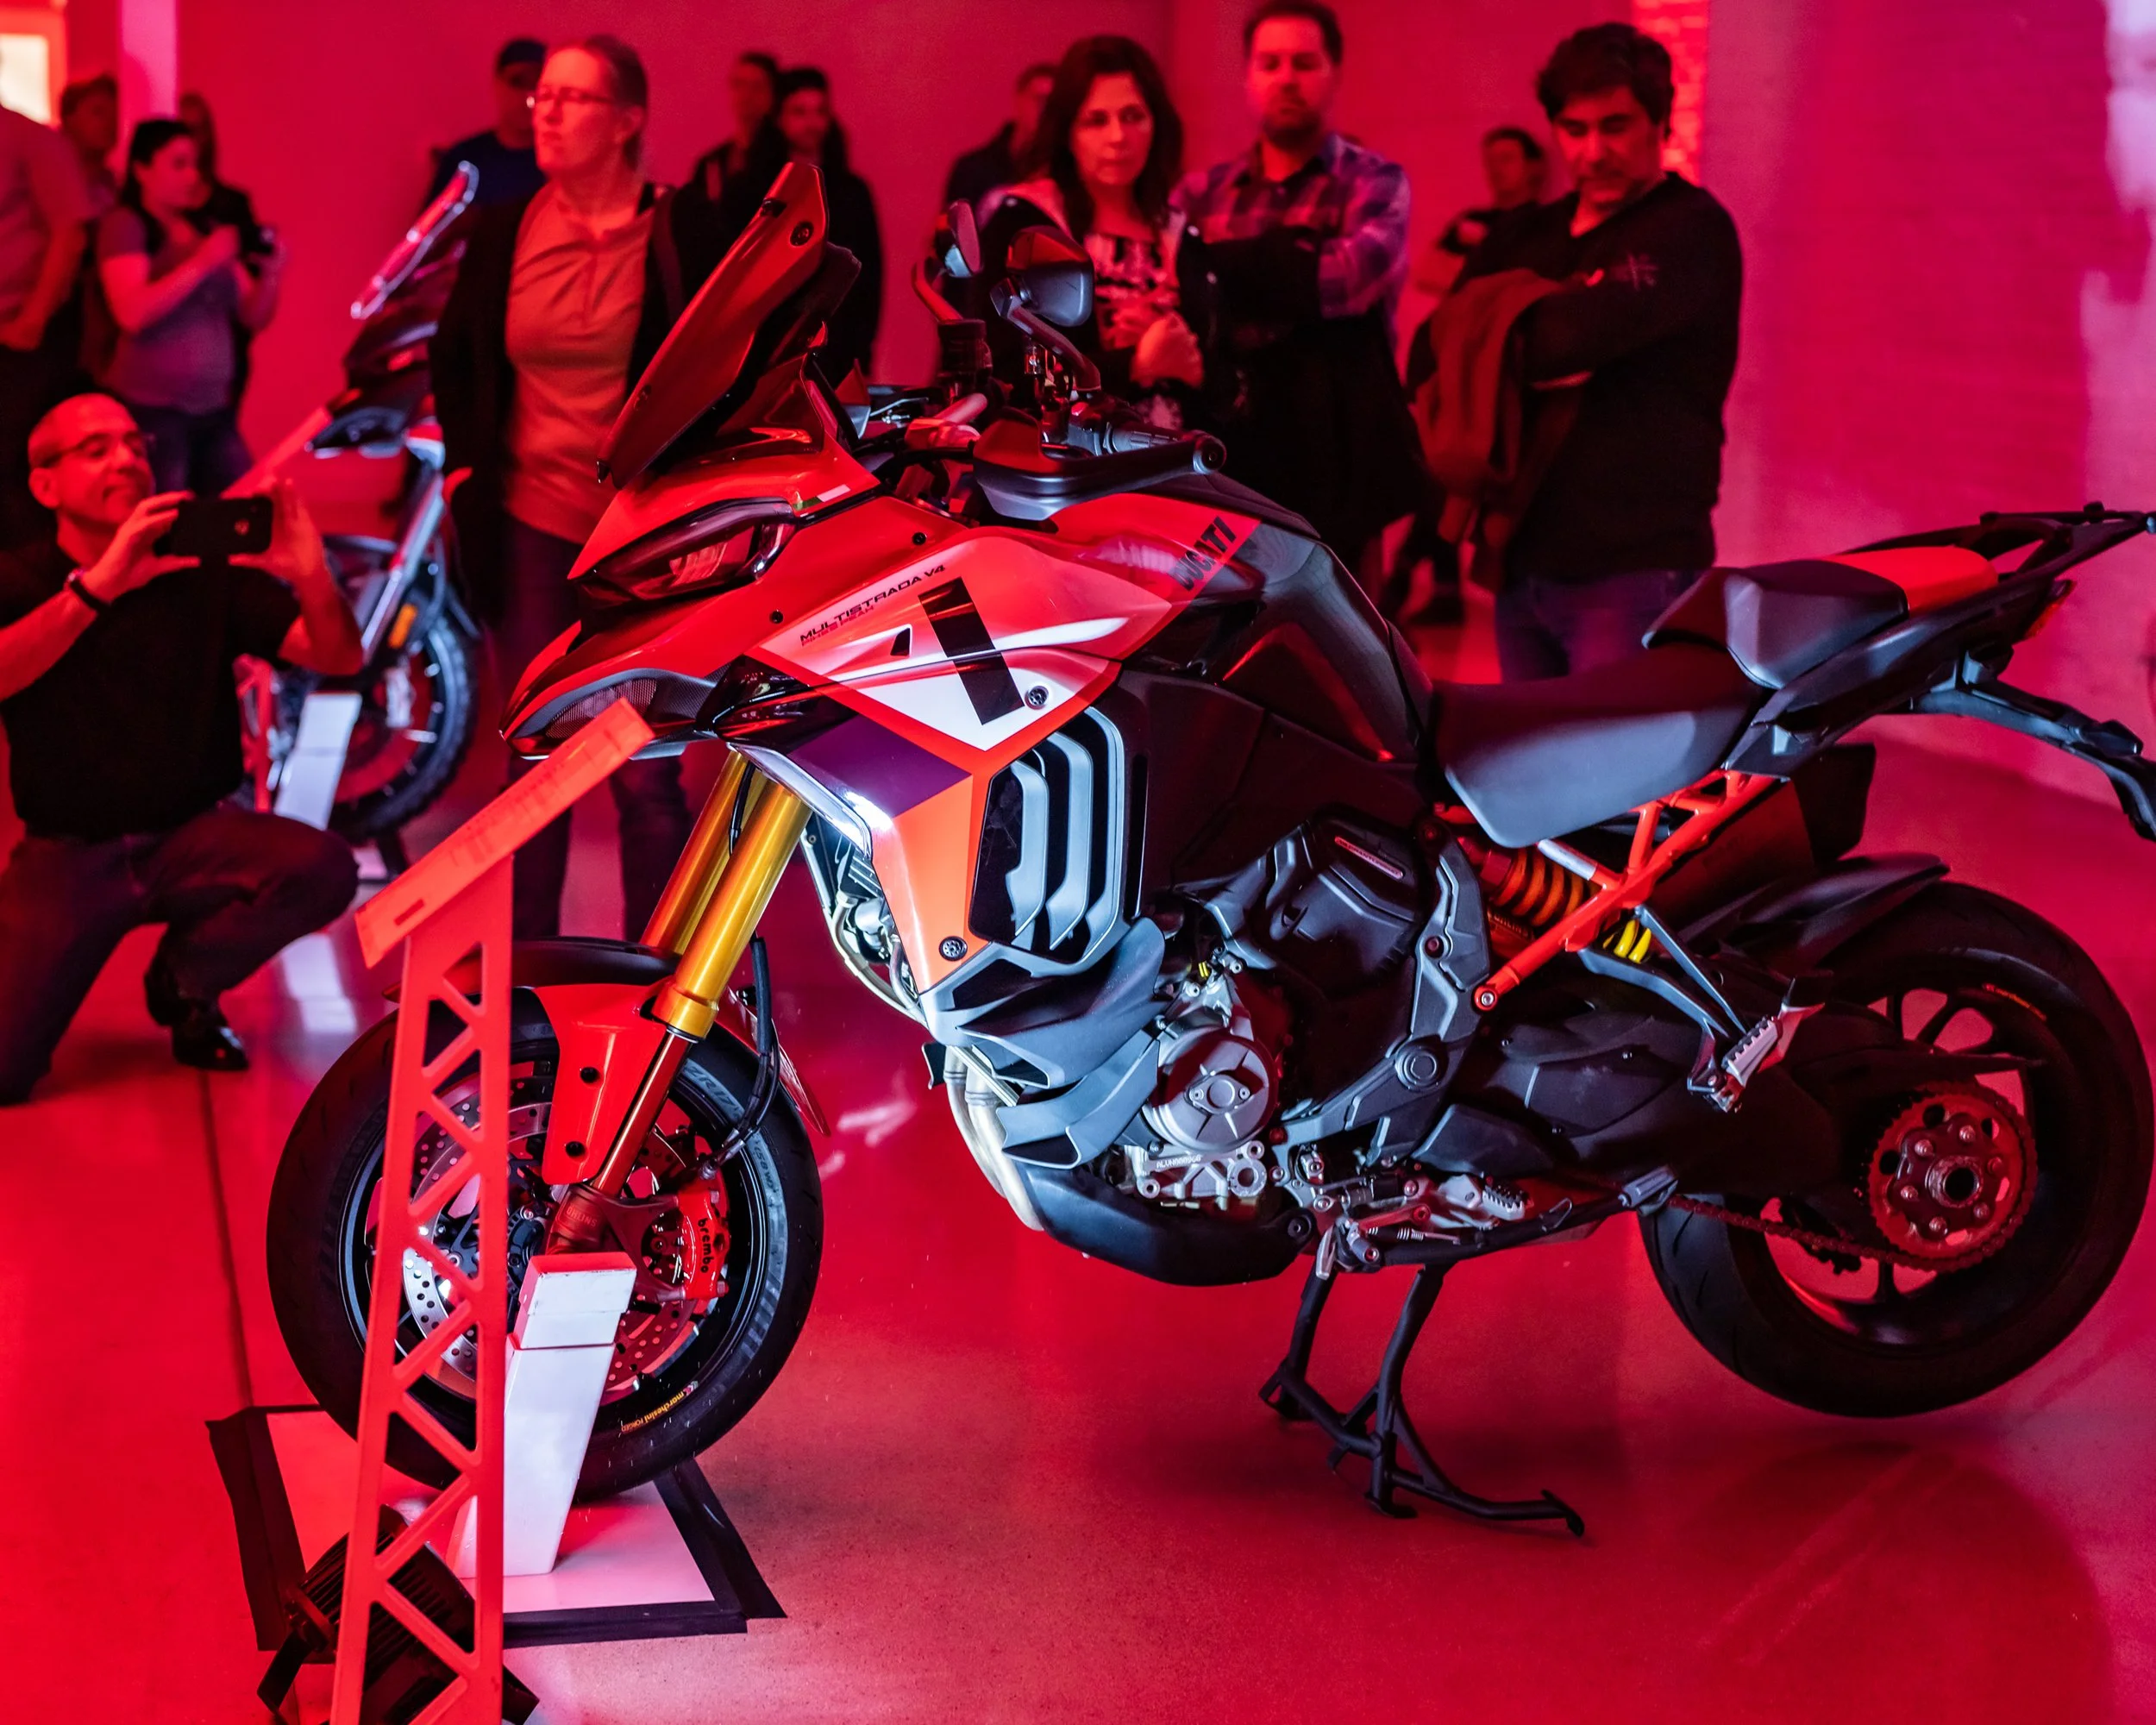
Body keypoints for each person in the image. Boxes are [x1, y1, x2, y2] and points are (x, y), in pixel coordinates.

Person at [0, 393, 361, 1098]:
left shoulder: (201, 571)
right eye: (97, 448)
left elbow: (338, 655)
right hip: (69, 855)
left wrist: (311, 573)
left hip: (193, 835)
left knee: (322, 868)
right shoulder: (19, 579)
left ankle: (185, 980)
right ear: (46, 485)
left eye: (136, 445)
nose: (127, 460)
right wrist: (99, 588)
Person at [432, 34, 703, 943]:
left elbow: (711, 370)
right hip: (532, 521)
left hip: (642, 537)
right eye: (543, 94)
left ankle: (659, 995)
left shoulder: (675, 231)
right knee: (536, 758)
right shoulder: (506, 227)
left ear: (627, 122)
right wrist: (469, 469)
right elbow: (458, 358)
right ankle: (528, 982)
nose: (544, 111)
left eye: (572, 98)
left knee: (645, 769)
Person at [1457, 22, 1742, 680]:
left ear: (1658, 123)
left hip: (1635, 566)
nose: (1594, 151)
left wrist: (1508, 340)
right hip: (1522, 559)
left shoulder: (1688, 230)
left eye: (1615, 126)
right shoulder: (1527, 235)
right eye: (1575, 129)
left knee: (1619, 780)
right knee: (1528, 776)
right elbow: (1437, 348)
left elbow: (1561, 341)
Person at [1178, 1, 1425, 583]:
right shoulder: (1201, 193)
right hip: (1229, 462)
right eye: (1271, 63)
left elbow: (1345, 283)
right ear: (1249, 75)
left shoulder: (1374, 181)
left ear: (1333, 71)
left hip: (1341, 464)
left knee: (1350, 657)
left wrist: (1223, 275)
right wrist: (1289, 265)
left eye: (1304, 62)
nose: (1286, 78)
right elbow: (1177, 298)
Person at [978, 36, 1202, 429]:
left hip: (1179, 468)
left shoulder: (1180, 232)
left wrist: (1191, 364)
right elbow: (1009, 373)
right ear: (1068, 132)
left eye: (1133, 116)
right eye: (1096, 120)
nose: (1117, 137)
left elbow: (1228, 381)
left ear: (1156, 124)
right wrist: (1134, 363)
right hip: (1068, 472)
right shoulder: (1026, 224)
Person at [1390, 124, 1550, 625]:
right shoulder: (1475, 224)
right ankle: (1433, 586)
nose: (1495, 170)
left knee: (1455, 478)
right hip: (1462, 366)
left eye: (1506, 159)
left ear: (1533, 166)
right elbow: (1433, 274)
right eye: (1490, 159)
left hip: (1506, 374)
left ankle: (1414, 579)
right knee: (1442, 474)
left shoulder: (1546, 224)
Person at [94, 119, 284, 496]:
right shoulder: (127, 225)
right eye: (178, 165)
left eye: (195, 164)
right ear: (142, 169)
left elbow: (252, 316)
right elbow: (132, 313)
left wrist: (273, 275)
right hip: (154, 409)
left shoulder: (207, 229)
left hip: (213, 408)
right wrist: (201, 263)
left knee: (243, 507)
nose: (192, 176)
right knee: (167, 519)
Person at [720, 67, 883, 381]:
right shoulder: (750, 191)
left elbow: (869, 279)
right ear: (779, 118)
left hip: (836, 349)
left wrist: (861, 351)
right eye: (799, 112)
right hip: (765, 352)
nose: (812, 123)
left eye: (820, 111)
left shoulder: (851, 194)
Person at [0, 82, 93, 549]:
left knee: (16, 464)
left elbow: (69, 229)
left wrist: (34, 318)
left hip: (21, 340)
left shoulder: (30, 139)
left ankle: (28, 587)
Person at [179, 91, 270, 415]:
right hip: (168, 357)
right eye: (182, 129)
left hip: (223, 352)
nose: (191, 141)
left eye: (198, 129)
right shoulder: (151, 214)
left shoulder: (230, 206)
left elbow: (251, 302)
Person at [427, 37, 547, 208]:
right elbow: (431, 228)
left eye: (539, 84)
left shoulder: (557, 161)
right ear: (497, 84)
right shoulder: (466, 160)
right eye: (518, 82)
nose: (529, 95)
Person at [944, 62, 1056, 214]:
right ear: (1020, 99)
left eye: (1053, 103)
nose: (1045, 110)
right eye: (1040, 99)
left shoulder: (1066, 170)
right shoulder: (972, 170)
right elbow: (950, 232)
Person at [690, 51, 778, 204]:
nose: (746, 95)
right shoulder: (713, 163)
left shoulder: (782, 158)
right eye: (740, 85)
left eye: (756, 87)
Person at [58, 73, 120, 219]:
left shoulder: (111, 184)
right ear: (69, 118)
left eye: (115, 114)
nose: (109, 123)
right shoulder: (49, 179)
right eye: (98, 112)